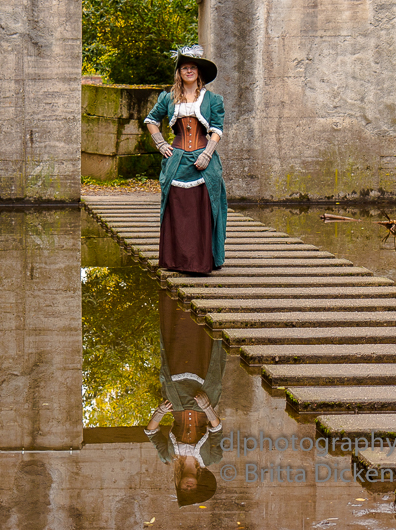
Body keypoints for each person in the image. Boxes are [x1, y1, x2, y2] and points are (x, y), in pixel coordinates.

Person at [143, 45, 228, 274]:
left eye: (192, 68)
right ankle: (177, 260)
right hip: (177, 160)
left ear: (199, 72)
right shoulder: (168, 98)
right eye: (184, 68)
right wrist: (161, 144)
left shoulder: (213, 99)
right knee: (179, 211)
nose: (189, 71)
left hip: (203, 160)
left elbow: (217, 129)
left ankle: (201, 261)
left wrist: (207, 153)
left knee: (202, 211)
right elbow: (151, 120)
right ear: (179, 73)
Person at [145, 292, 226, 507]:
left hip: (177, 397)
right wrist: (207, 407)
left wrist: (159, 413)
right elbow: (217, 431)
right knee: (203, 347)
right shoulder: (211, 458)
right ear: (198, 483)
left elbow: (151, 433)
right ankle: (207, 298)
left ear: (179, 483)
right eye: (192, 489)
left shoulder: (168, 457)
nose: (188, 487)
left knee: (178, 345)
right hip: (203, 399)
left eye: (184, 489)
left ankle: (176, 296)